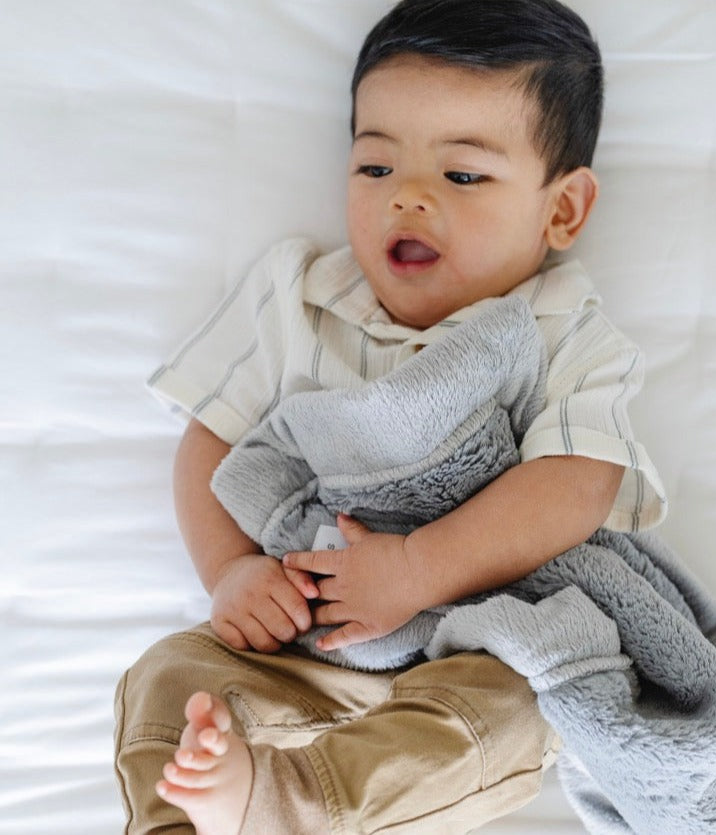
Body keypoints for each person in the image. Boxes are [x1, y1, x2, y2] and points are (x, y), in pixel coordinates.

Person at [114, 1, 667, 832]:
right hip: (299, 651)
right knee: (168, 674)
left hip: (469, 645)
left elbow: (577, 482)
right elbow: (210, 439)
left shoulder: (564, 331)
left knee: (522, 703)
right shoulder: (297, 297)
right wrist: (229, 571)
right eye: (375, 168)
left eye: (462, 175)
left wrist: (417, 568)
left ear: (560, 210)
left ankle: (290, 803)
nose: (406, 197)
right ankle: (192, 819)